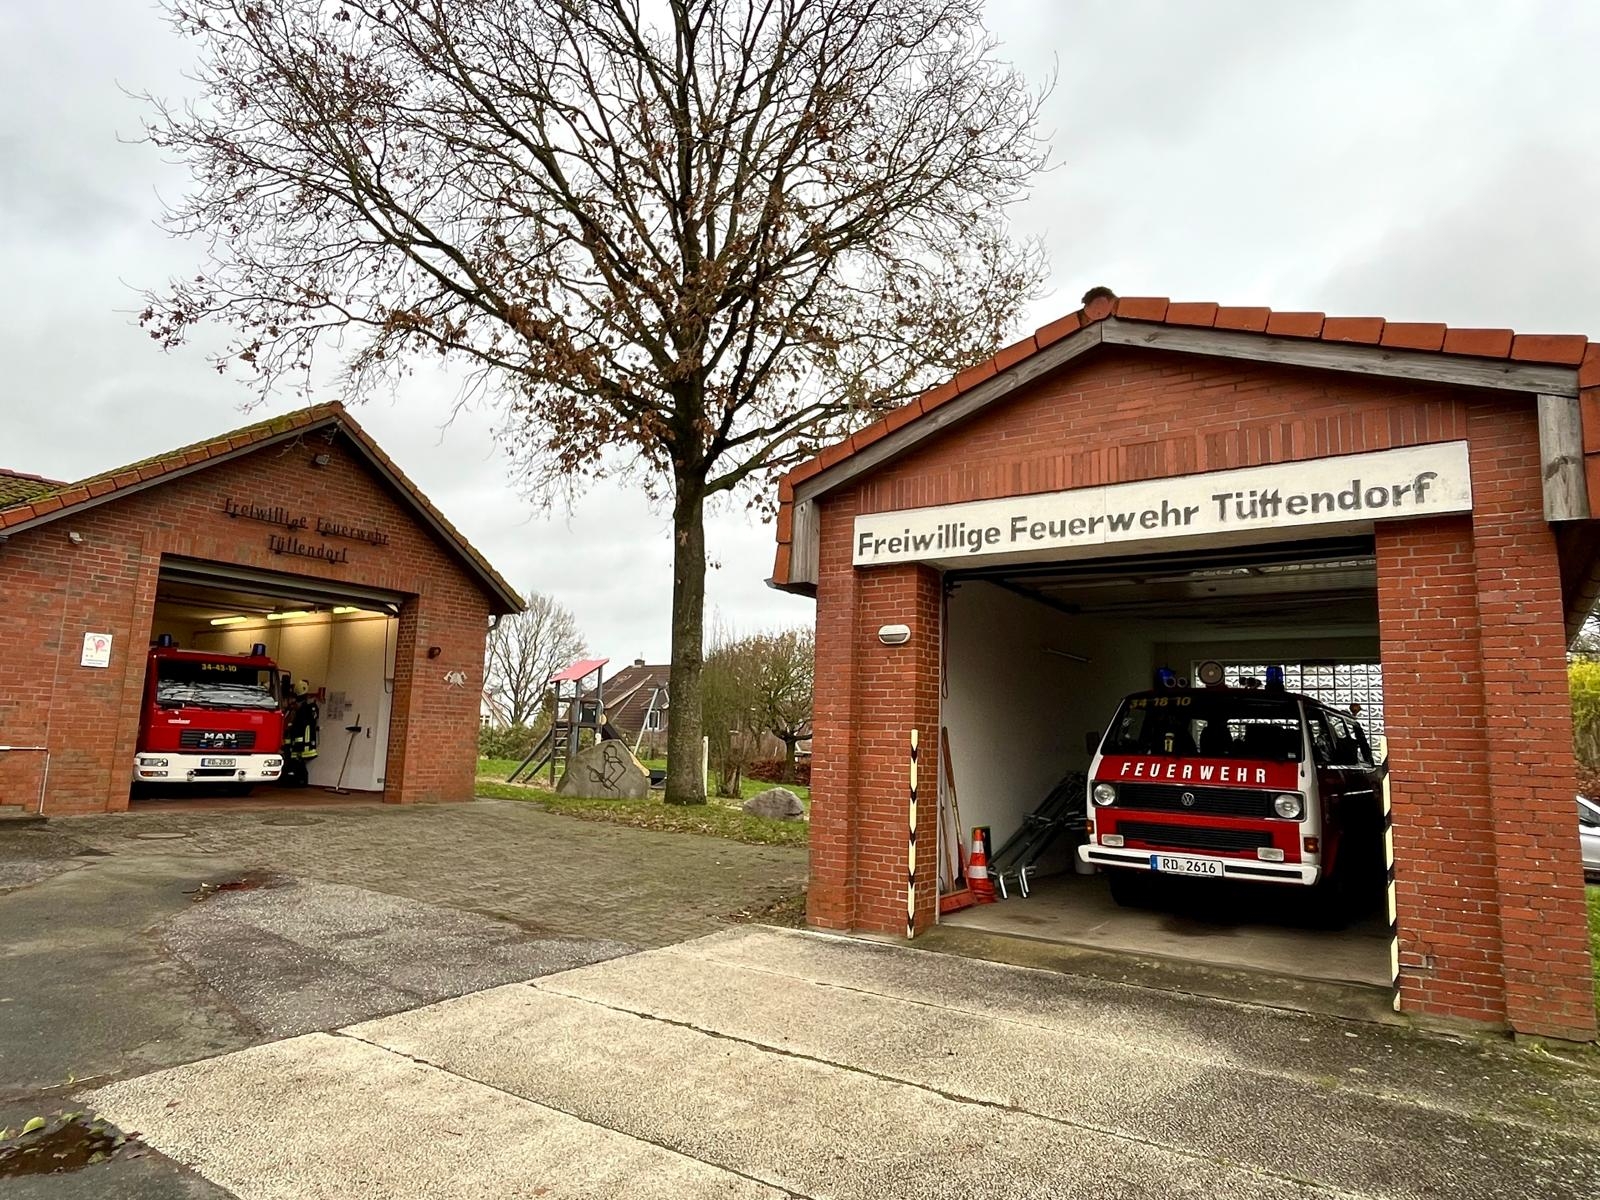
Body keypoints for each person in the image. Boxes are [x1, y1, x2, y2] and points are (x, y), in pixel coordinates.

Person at [282, 679, 320, 787]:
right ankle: (297, 780)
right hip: (298, 744)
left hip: (299, 745)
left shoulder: (303, 711)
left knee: (296, 763)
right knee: (296, 763)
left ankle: (297, 780)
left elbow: (297, 728)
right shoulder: (309, 709)